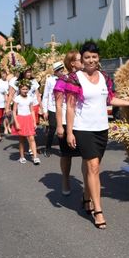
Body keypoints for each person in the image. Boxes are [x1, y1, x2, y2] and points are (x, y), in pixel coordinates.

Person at [66, 42, 129, 229]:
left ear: (99, 58)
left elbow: (109, 99)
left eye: (94, 57)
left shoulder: (105, 76)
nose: (91, 60)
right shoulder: (75, 78)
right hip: (83, 128)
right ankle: (98, 211)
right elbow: (71, 107)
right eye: (87, 57)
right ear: (82, 59)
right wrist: (69, 132)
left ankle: (86, 197)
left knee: (92, 167)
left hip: (101, 129)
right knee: (94, 167)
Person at [54, 51, 84, 196]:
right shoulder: (62, 81)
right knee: (67, 154)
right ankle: (65, 179)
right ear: (72, 63)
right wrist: (59, 125)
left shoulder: (84, 78)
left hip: (83, 121)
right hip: (67, 122)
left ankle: (89, 184)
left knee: (87, 155)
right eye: (80, 59)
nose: (84, 61)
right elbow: (59, 105)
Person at [11, 79, 40, 165]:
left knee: (32, 138)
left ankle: (35, 157)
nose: (25, 91)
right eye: (23, 89)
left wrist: (34, 122)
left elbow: (32, 111)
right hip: (20, 119)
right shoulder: (17, 98)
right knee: (22, 140)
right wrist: (16, 122)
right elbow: (14, 111)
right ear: (20, 89)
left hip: (29, 119)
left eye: (26, 89)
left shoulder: (30, 98)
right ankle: (22, 157)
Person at [42, 61, 65, 157]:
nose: (61, 72)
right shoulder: (49, 80)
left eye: (62, 70)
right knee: (52, 128)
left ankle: (63, 149)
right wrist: (45, 110)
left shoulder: (66, 79)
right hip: (52, 108)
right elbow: (46, 96)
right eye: (59, 71)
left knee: (63, 128)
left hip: (63, 108)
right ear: (55, 72)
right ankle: (47, 148)